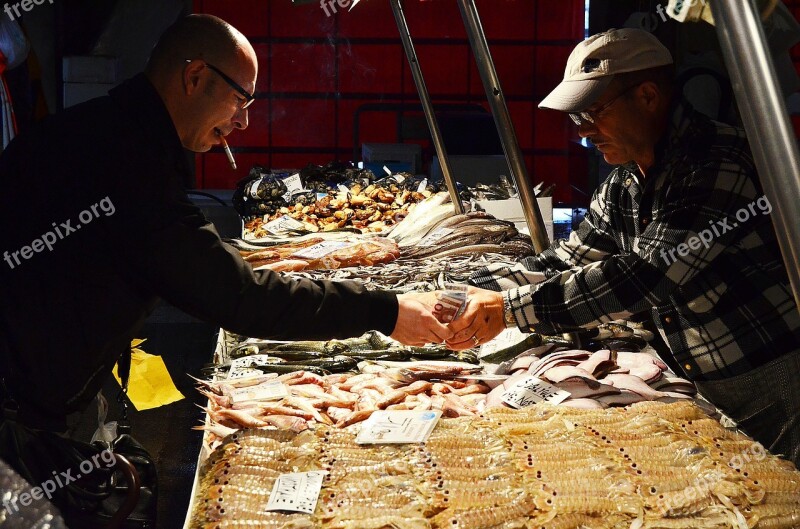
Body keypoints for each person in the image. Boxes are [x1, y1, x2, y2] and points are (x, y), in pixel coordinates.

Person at [0, 14, 450, 434]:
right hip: (18, 406)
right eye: (240, 98)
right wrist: (385, 311)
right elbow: (236, 295)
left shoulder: (113, 130)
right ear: (194, 78)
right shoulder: (126, 162)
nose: (243, 120)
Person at [443, 28, 800, 465]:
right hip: (704, 378)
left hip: (775, 379)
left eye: (593, 112)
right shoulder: (625, 183)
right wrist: (459, 293)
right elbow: (566, 260)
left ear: (648, 96)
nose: (585, 131)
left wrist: (509, 309)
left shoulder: (719, 163)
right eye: (577, 119)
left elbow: (645, 276)